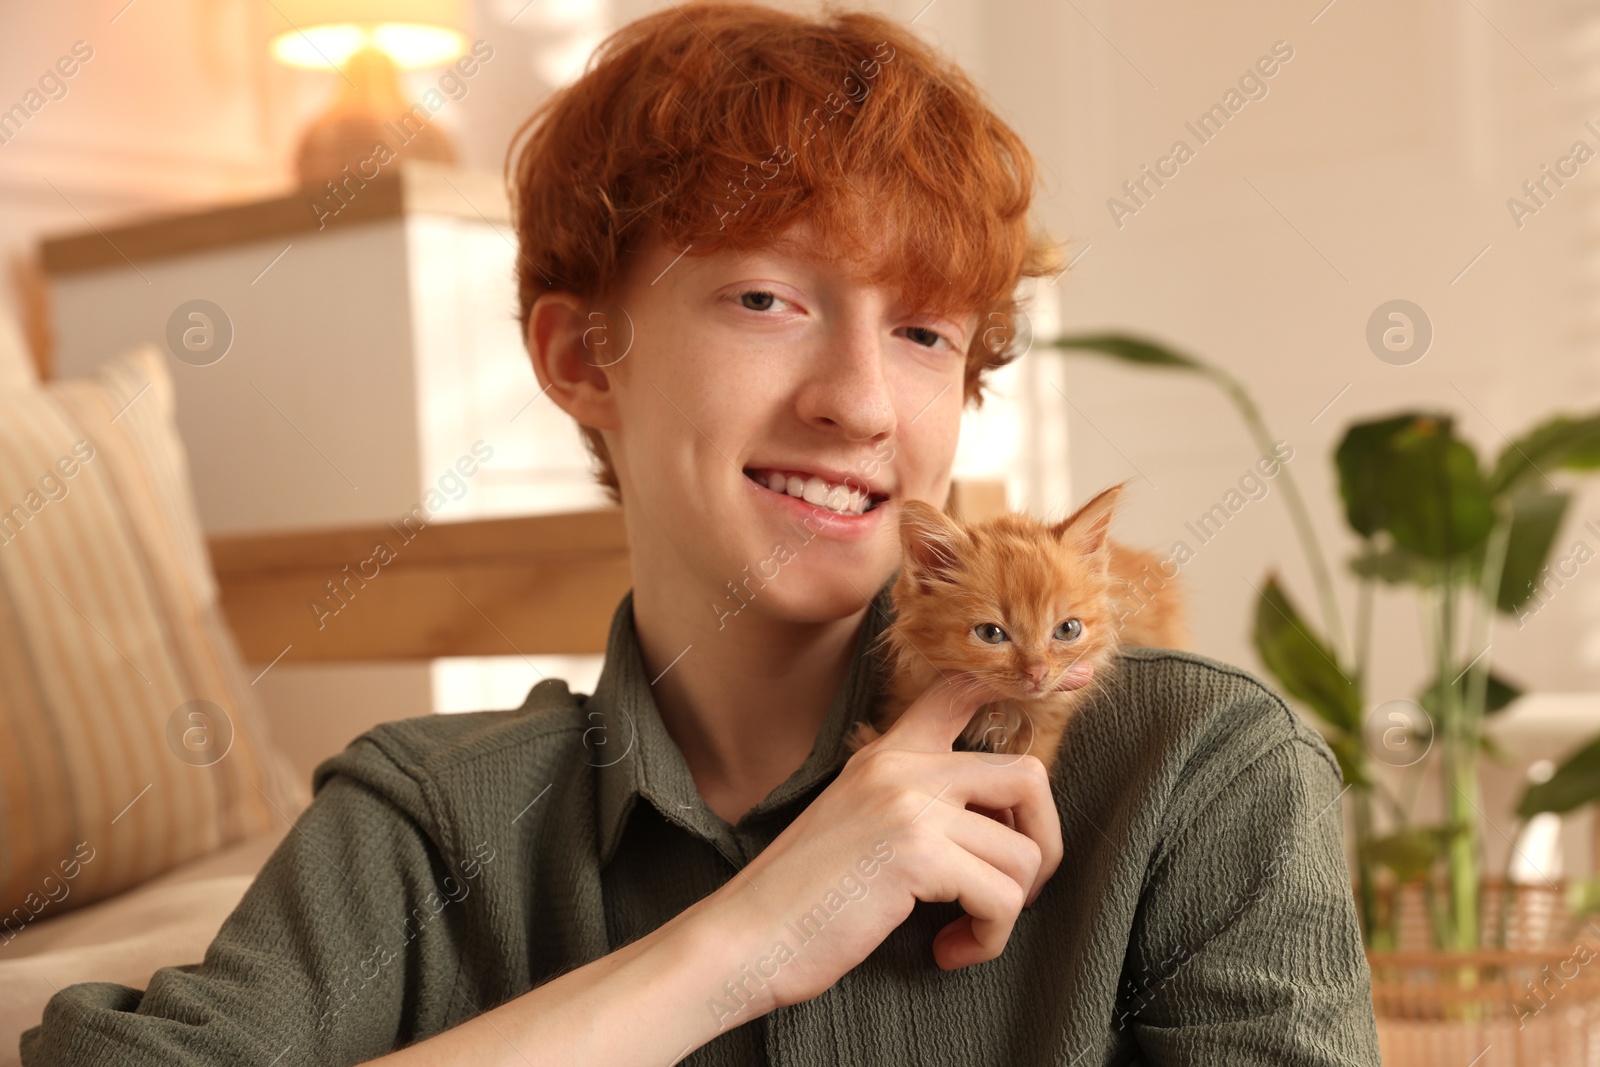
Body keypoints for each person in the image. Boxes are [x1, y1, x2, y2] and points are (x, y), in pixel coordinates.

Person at [22, 3, 1382, 1064]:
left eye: (921, 334)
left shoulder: (1198, 779)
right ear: (581, 357)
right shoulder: (424, 828)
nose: (857, 402)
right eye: (765, 300)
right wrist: (733, 946)